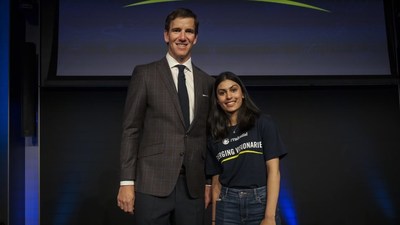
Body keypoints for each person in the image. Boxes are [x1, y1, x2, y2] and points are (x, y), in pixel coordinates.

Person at [117, 8, 215, 225]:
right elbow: (130, 129)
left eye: (188, 31)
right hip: (152, 183)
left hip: (193, 187)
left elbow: (208, 136)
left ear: (195, 38)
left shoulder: (207, 81)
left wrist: (208, 183)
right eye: (176, 30)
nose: (182, 37)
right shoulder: (145, 74)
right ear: (166, 35)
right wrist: (126, 181)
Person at [206, 72, 287, 225]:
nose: (229, 96)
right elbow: (216, 183)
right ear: (217, 100)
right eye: (222, 93)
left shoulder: (263, 123)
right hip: (227, 204)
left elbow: (273, 171)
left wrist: (269, 216)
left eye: (233, 90)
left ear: (242, 93)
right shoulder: (213, 134)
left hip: (261, 202)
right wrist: (214, 220)